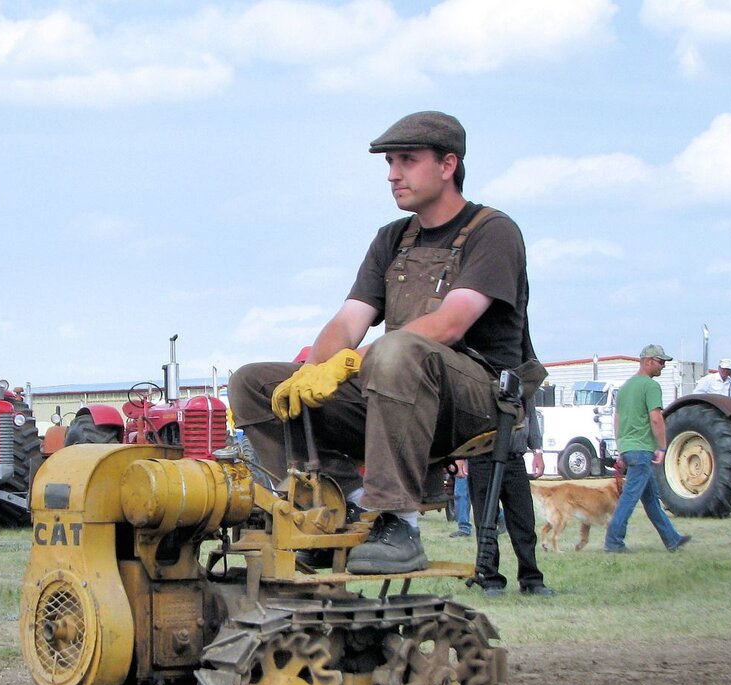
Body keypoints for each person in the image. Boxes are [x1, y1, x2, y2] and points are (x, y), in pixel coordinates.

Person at [228, 110, 541, 575]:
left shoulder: (493, 232)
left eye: (407, 161)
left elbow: (451, 323)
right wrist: (314, 371)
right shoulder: (392, 239)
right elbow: (348, 321)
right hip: (395, 391)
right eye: (390, 163)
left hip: (474, 399)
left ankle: (399, 522)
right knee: (253, 383)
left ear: (448, 164)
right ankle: (341, 509)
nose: (393, 175)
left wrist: (354, 361)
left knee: (398, 349)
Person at [603, 345, 692, 554]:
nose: (663, 366)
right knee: (629, 498)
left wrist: (621, 448)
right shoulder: (650, 386)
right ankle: (613, 542)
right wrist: (662, 447)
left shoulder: (625, 388)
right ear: (648, 361)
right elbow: (655, 418)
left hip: (628, 448)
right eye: (661, 362)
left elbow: (617, 420)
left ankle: (672, 539)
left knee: (651, 499)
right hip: (643, 450)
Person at [468, 401, 554, 596]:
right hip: (482, 457)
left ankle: (531, 579)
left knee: (524, 522)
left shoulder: (520, 375)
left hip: (515, 458)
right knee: (486, 522)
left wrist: (537, 450)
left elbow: (529, 411)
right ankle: (490, 579)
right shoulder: (478, 374)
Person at [450, 459, 472, 538]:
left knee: (461, 493)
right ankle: (501, 517)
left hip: (465, 458)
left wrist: (459, 461)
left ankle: (464, 528)